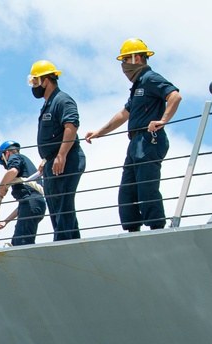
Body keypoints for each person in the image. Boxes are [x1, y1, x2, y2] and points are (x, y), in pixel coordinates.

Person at [84, 39, 182, 232]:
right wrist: (99, 132)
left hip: (149, 139)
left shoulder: (151, 78)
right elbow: (124, 114)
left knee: (147, 186)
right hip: (135, 142)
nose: (123, 66)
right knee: (127, 192)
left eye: (125, 60)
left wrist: (162, 120)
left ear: (137, 58)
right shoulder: (138, 86)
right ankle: (133, 229)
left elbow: (174, 95)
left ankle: (156, 228)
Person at [30, 60, 85, 241]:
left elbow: (71, 126)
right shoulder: (49, 104)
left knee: (63, 202)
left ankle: (63, 241)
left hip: (67, 158)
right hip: (52, 161)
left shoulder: (62, 100)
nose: (34, 87)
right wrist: (47, 159)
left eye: (36, 82)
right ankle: (71, 240)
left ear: (46, 80)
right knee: (56, 204)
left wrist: (61, 155)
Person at [0, 140, 47, 246]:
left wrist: (1, 187)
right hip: (36, 205)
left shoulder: (15, 157)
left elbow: (13, 171)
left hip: (31, 204)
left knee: (20, 243)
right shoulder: (28, 169)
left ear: (7, 153)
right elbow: (24, 205)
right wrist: (6, 221)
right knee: (22, 240)